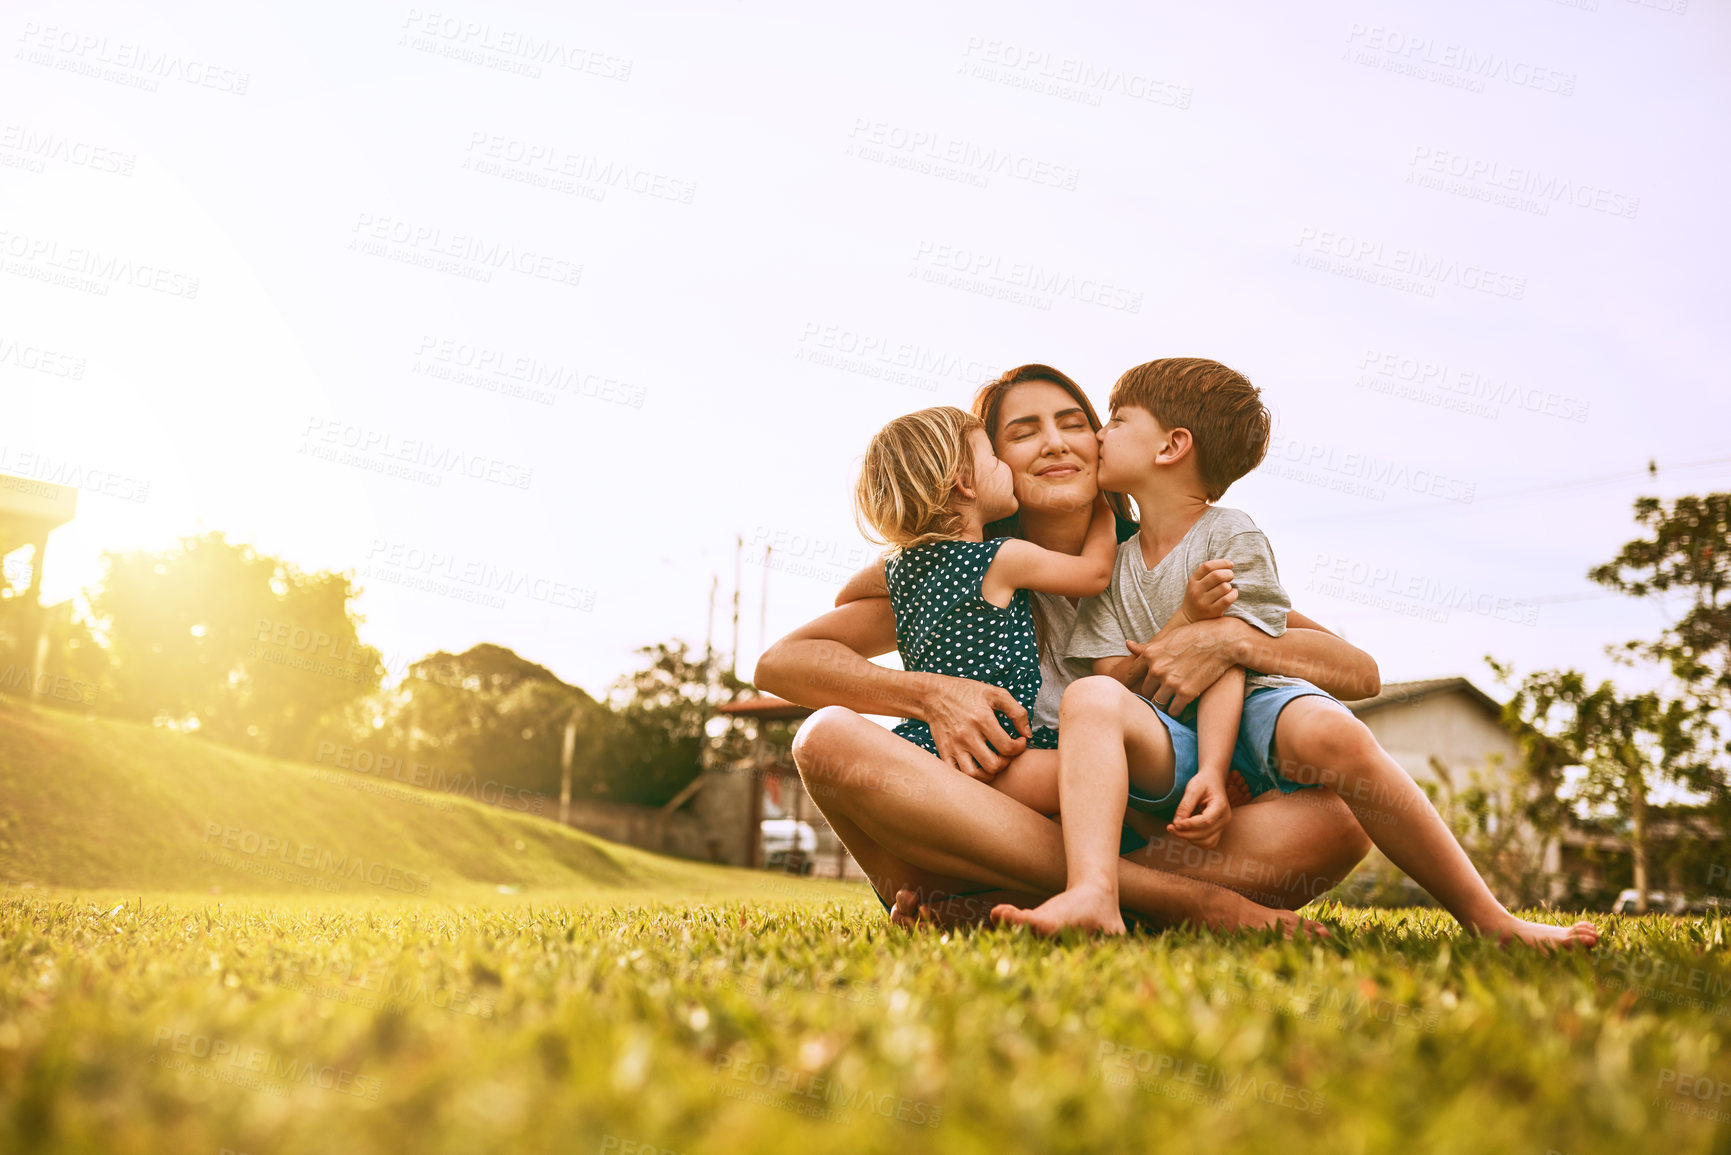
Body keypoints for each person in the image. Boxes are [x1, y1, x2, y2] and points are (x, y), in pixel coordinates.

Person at [990, 357, 1599, 950]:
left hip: (1250, 710)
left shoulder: (1226, 537)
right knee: (1088, 698)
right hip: (1160, 755)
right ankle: (1103, 894)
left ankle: (1487, 914)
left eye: (1105, 422)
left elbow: (1309, 666)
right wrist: (1186, 629)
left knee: (1338, 741)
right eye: (1024, 432)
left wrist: (1220, 669)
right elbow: (1114, 685)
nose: (1091, 436)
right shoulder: (1086, 568)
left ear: (1171, 447)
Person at [755, 365, 1380, 935]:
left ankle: (1025, 897)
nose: (1055, 442)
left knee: (1338, 819)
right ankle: (1180, 903)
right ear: (983, 466)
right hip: (976, 822)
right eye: (1023, 432)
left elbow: (1358, 672)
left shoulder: (1173, 559)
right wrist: (928, 694)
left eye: (1075, 424)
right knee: (826, 739)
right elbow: (783, 662)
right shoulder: (967, 572)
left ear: (1102, 445)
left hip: (1156, 832)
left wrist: (1229, 637)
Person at [851, 404, 1118, 813]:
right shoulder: (1001, 558)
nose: (1004, 467)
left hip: (925, 746)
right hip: (1001, 751)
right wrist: (1104, 511)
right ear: (965, 483)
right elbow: (1095, 574)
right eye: (993, 458)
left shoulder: (900, 568)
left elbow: (846, 598)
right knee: (1116, 781)